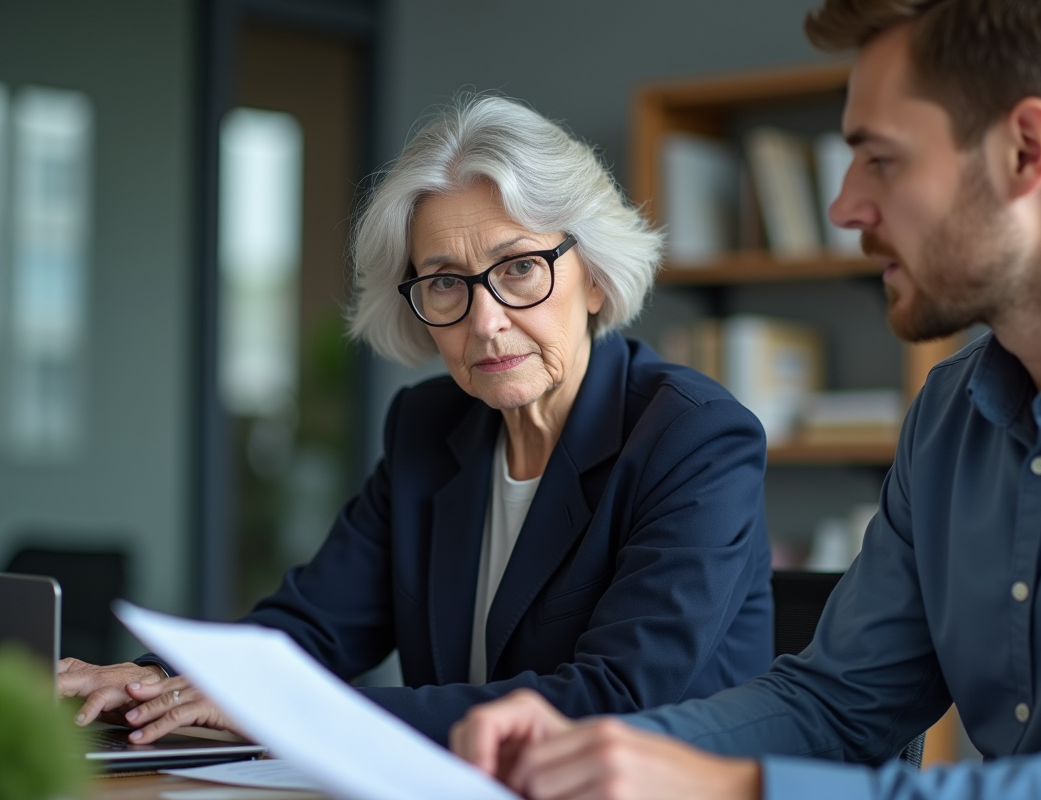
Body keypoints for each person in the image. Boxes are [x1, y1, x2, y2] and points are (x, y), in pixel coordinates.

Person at [449, 1, 1041, 798]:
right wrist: (597, 748)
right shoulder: (950, 413)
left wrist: (735, 787)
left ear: (1026, 151)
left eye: (881, 160)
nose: (844, 208)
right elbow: (838, 702)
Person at [58, 95, 775, 747]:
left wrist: (291, 710)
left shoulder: (695, 439)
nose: (486, 321)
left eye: (519, 267)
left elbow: (613, 700)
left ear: (592, 274)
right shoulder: (428, 426)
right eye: (444, 283)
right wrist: (146, 684)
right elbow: (310, 627)